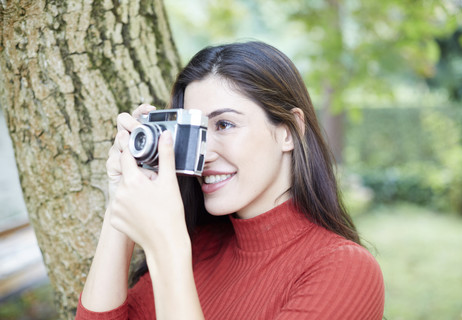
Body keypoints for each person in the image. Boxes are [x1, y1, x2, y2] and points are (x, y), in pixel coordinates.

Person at [76, 41, 384, 320]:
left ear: (289, 131)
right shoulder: (200, 246)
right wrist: (121, 199)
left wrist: (166, 247)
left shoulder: (344, 269)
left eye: (224, 124)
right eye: (195, 132)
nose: (204, 153)